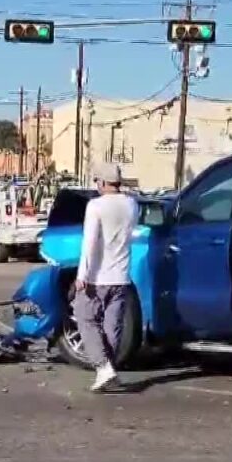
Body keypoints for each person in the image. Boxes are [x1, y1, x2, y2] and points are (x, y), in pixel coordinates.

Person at [73, 163, 138, 391]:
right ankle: (109, 370)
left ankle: (103, 367)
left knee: (85, 318)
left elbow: (89, 243)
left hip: (98, 276)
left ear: (101, 182)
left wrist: (82, 275)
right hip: (121, 276)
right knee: (113, 326)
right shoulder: (132, 204)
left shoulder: (96, 206)